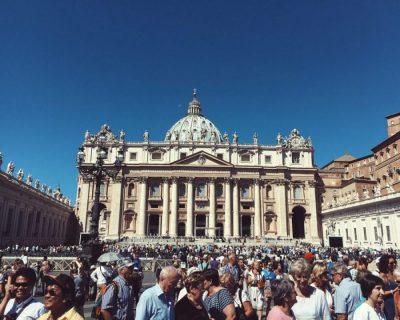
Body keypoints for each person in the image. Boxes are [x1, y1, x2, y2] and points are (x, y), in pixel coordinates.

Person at [378, 254, 398, 320]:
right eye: (391, 263)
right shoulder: (383, 276)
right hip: (389, 303)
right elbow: (381, 292)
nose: (394, 264)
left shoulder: (395, 275)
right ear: (385, 264)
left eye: (394, 262)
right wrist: (393, 291)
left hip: (397, 302)